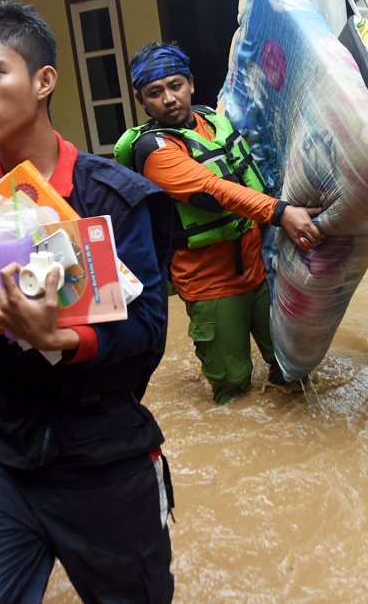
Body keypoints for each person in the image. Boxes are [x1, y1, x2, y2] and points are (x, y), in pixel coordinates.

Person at [0, 1, 176, 604]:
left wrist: (61, 340)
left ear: (44, 82)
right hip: (5, 455)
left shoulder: (116, 200)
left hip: (106, 457)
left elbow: (149, 328)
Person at [116, 42, 325, 404]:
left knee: (294, 367)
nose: (169, 98)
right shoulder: (153, 150)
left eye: (175, 85)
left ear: (191, 83)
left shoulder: (214, 120)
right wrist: (282, 213)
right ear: (141, 100)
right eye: (155, 92)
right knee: (233, 389)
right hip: (210, 283)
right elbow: (215, 190)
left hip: (257, 270)